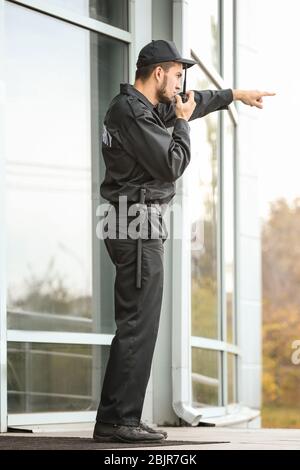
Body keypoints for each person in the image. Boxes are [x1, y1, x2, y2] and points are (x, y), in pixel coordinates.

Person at [93, 39, 275, 444]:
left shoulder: (143, 108)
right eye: (177, 74)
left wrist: (233, 96)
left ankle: (118, 416)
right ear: (158, 73)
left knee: (138, 324)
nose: (181, 83)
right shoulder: (131, 113)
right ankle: (118, 420)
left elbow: (193, 102)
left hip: (135, 222)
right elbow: (172, 162)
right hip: (135, 223)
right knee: (138, 326)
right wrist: (182, 123)